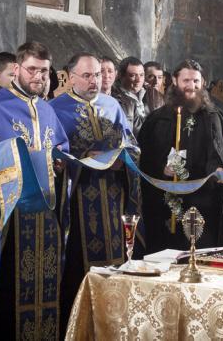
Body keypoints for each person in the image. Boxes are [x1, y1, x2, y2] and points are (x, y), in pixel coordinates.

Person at [0, 41, 70, 340]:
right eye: (33, 69)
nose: (39, 76)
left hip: (44, 220)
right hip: (8, 218)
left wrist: (62, 162)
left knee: (44, 286)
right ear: (17, 69)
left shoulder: (48, 110)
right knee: (8, 291)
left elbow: (60, 148)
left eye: (45, 70)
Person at [49, 53, 142, 329]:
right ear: (71, 77)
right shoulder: (55, 109)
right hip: (78, 204)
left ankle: (113, 326)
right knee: (80, 270)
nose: (94, 81)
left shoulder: (113, 106)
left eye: (98, 75)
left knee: (115, 267)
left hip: (113, 201)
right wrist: (81, 158)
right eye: (87, 76)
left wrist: (121, 158)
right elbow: (52, 157)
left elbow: (133, 148)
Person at [138, 59, 223, 253]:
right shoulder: (157, 119)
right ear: (175, 81)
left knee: (202, 254)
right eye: (186, 80)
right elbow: (144, 156)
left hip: (203, 202)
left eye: (195, 81)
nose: (191, 86)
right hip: (166, 200)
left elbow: (222, 153)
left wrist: (218, 169)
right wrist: (162, 167)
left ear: (202, 83)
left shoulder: (213, 117)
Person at [112, 56, 163, 135]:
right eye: (133, 75)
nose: (138, 80)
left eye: (141, 75)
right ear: (121, 76)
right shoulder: (114, 98)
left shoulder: (153, 94)